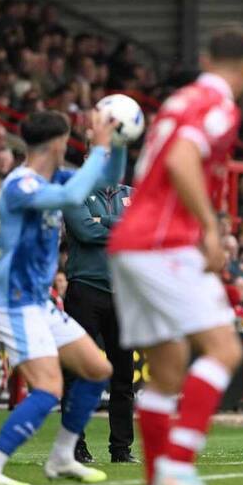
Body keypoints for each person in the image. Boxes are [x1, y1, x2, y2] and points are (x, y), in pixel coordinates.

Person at [107, 25, 243, 485]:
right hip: (163, 243)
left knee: (167, 370)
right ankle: (179, 467)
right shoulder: (219, 104)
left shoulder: (178, 99)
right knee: (223, 348)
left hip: (129, 242)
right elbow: (180, 157)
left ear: (204, 56)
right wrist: (210, 228)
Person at [0, 110, 121, 485]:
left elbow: (108, 179)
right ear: (57, 143)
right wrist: (99, 148)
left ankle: (62, 457)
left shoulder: (53, 178)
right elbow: (73, 195)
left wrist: (115, 146)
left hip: (38, 302)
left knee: (98, 369)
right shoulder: (20, 185)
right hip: (14, 302)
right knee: (49, 389)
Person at [62, 174, 137, 464]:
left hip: (123, 293)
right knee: (77, 370)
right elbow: (84, 232)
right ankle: (75, 446)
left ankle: (121, 448)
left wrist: (101, 222)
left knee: (123, 375)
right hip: (86, 289)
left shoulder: (133, 194)